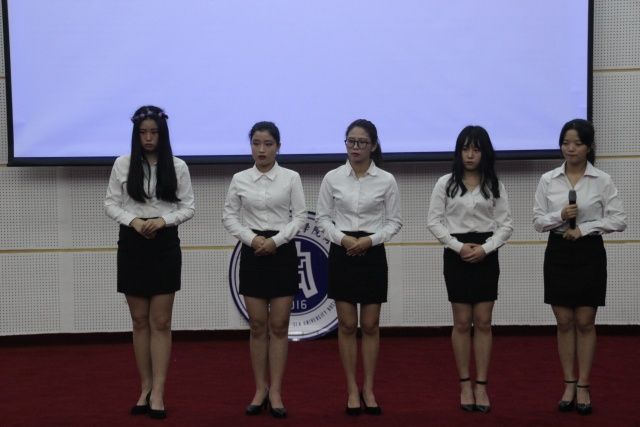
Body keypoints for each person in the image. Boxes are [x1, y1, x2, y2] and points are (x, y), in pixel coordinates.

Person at [105, 106, 195, 419]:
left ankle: (159, 391)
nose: (148, 138)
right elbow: (110, 204)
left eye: (154, 132)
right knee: (139, 320)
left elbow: (188, 207)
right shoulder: (123, 163)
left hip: (164, 243)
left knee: (161, 322)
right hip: (132, 242)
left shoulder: (178, 166)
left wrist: (163, 221)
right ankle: (144, 387)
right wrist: (133, 221)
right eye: (143, 132)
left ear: (162, 134)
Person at [533, 119, 626, 415]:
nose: (570, 148)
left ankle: (584, 384)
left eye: (577, 143)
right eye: (565, 143)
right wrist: (560, 215)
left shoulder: (602, 180)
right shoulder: (549, 180)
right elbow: (538, 221)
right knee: (563, 321)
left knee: (585, 321)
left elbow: (619, 220)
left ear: (589, 146)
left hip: (589, 251)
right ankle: (569, 383)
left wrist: (585, 229)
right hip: (559, 249)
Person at [316, 119, 402, 416]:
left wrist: (370, 241)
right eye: (350, 141)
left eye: (361, 142)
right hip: (342, 251)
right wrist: (343, 239)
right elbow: (322, 218)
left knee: (370, 324)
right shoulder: (333, 178)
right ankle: (352, 388)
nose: (355, 147)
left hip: (372, 252)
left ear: (373, 146)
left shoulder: (386, 180)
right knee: (347, 325)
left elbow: (394, 222)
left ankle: (369, 388)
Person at [222, 121, 306, 419]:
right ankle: (260, 389)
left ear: (278, 147)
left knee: (279, 326)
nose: (261, 150)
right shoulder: (240, 179)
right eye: (256, 143)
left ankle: (277, 391)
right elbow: (229, 217)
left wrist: (276, 240)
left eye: (268, 144)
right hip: (253, 251)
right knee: (258, 325)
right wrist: (252, 239)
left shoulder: (291, 177)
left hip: (282, 252)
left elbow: (300, 217)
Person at [426, 125, 513, 414]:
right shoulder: (445, 183)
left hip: (486, 253)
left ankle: (481, 385)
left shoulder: (495, 184)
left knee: (484, 322)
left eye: (476, 149)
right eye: (465, 149)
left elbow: (506, 225)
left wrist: (486, 248)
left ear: (484, 152)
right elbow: (434, 221)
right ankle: (465, 383)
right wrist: (457, 246)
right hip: (457, 254)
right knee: (462, 322)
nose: (470, 155)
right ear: (458, 152)